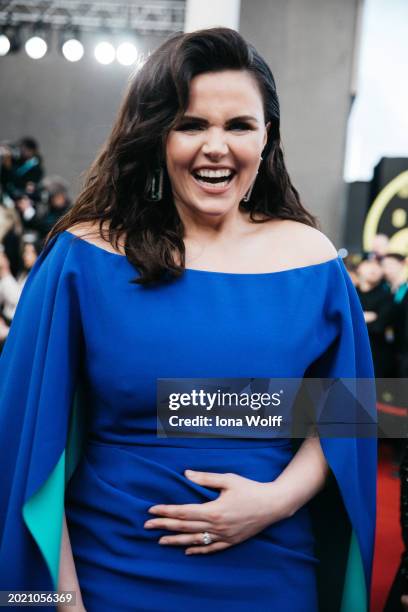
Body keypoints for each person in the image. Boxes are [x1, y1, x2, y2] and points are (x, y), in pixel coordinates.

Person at [0, 28, 377, 612]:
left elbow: (347, 409)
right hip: (109, 575)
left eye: (239, 126)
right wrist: (53, 601)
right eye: (191, 124)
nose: (216, 147)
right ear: (155, 135)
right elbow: (22, 440)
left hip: (273, 573)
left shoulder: (313, 260)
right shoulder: (84, 257)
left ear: (266, 136)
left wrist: (275, 501)